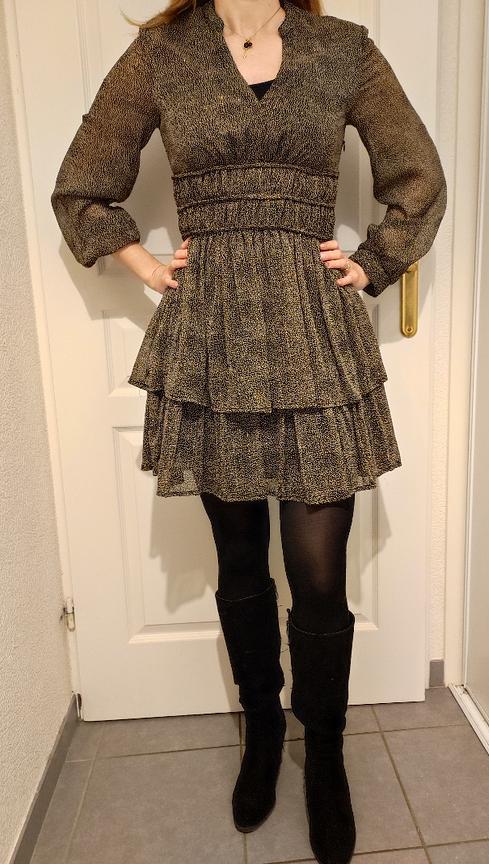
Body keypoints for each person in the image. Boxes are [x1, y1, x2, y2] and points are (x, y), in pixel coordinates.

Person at [50, 1, 447, 861]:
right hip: (213, 334)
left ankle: (325, 753)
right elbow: (81, 183)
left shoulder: (343, 48)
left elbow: (419, 173)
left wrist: (374, 260)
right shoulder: (162, 54)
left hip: (314, 330)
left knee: (319, 576)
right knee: (238, 560)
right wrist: (146, 264)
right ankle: (263, 728)